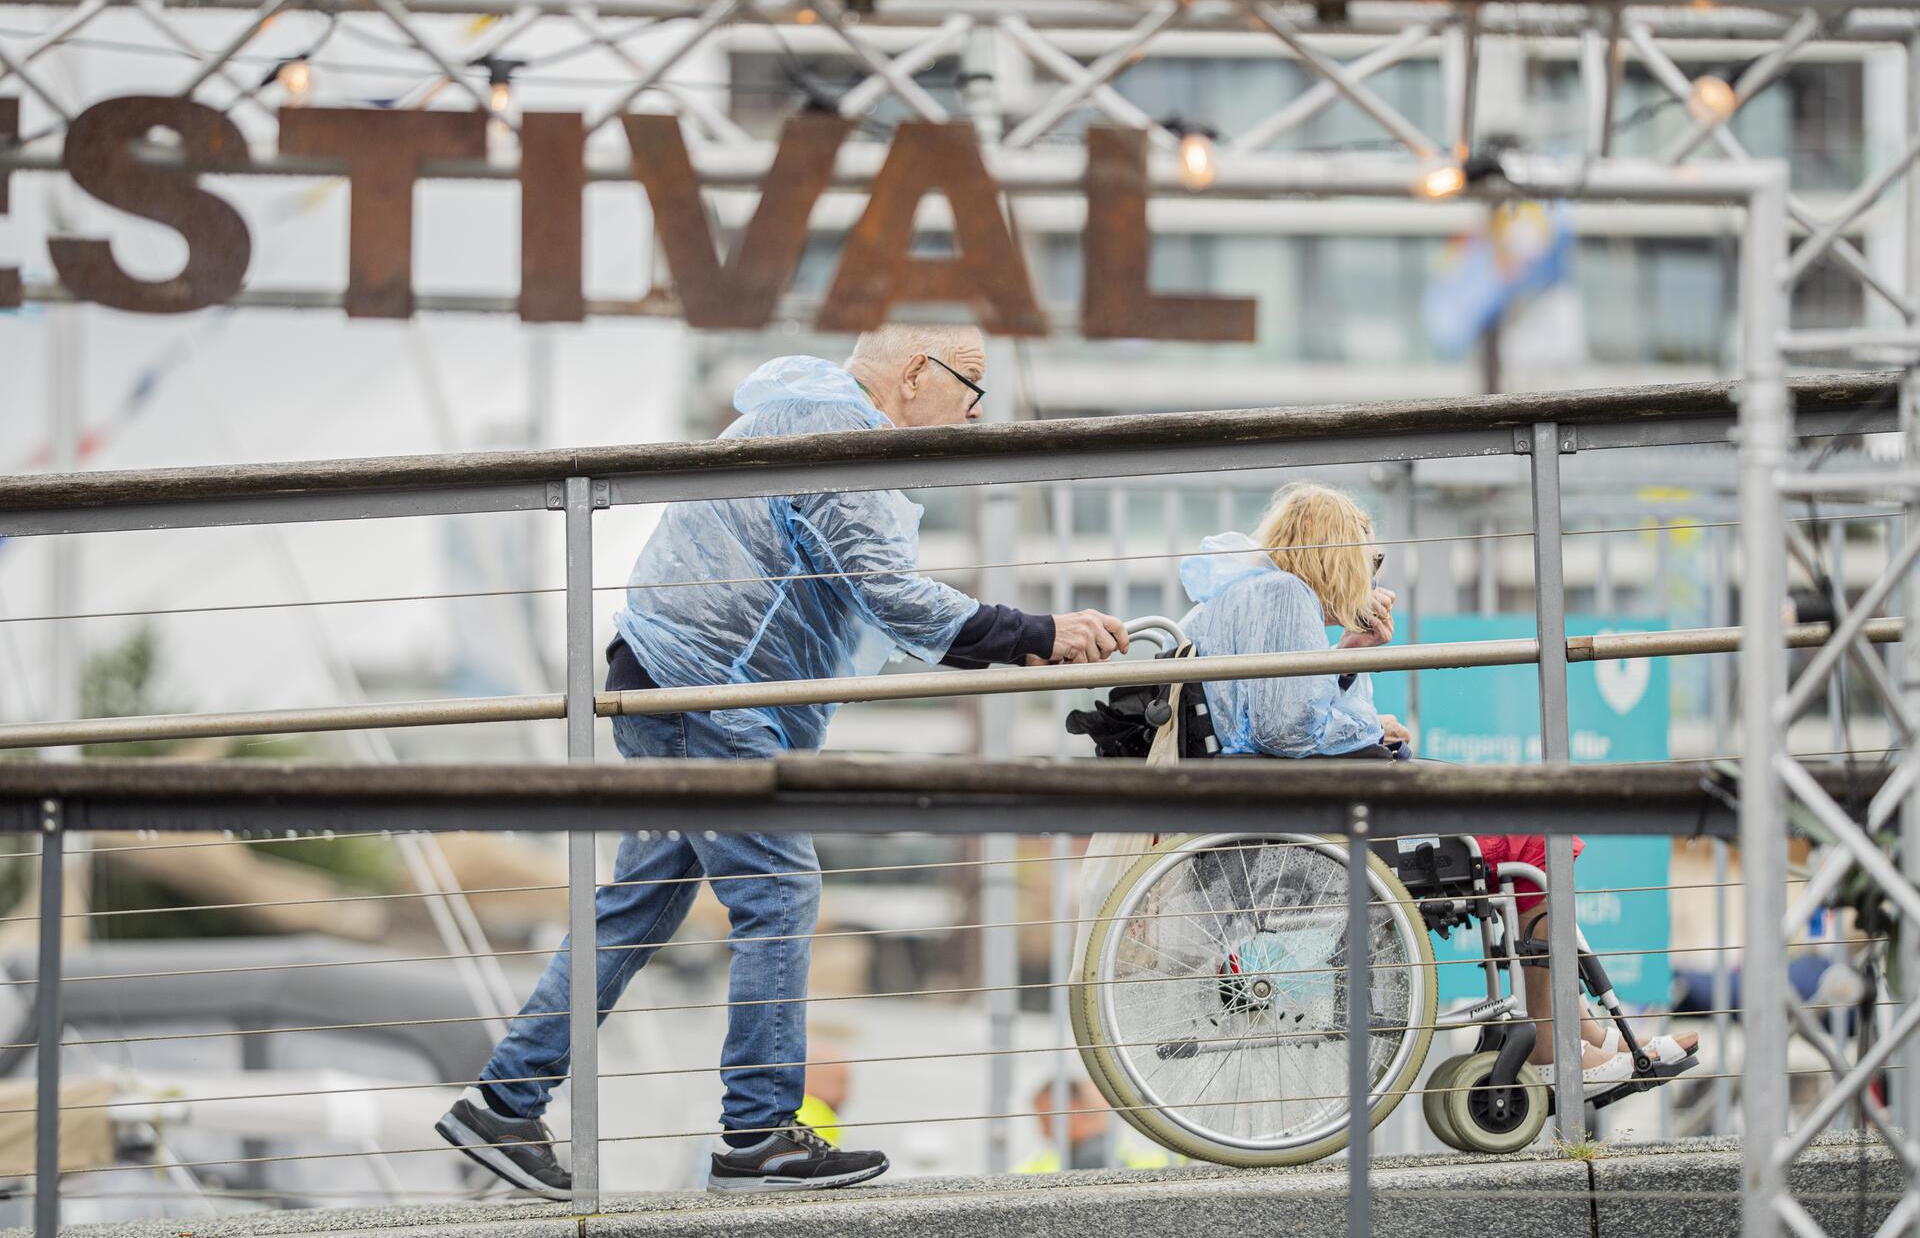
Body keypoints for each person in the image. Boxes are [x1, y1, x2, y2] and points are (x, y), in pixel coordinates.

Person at [437, 324, 1130, 1197]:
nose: (977, 411)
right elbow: (889, 592)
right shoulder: (836, 431)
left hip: (680, 683)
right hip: (707, 693)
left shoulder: (803, 416)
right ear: (917, 372)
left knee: (638, 906)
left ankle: (505, 1101)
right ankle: (758, 1130)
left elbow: (861, 594)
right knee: (780, 888)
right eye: (972, 387)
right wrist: (1038, 631)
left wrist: (1021, 642)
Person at [1176, 481, 1695, 1095]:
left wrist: (1352, 663)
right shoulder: (1286, 595)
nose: (1370, 574)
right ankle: (1559, 1040)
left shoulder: (1228, 600)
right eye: (1370, 559)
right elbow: (1285, 731)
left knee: (1525, 822)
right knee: (1539, 830)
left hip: (1283, 810)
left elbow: (1274, 717)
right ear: (1335, 555)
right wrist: (1364, 723)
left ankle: (1578, 1030)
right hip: (1333, 818)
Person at [1014, 1078, 1168, 1173]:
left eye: (1047, 1122)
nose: (1044, 1133)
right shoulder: (1093, 1150)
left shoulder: (1093, 1157)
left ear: (1072, 1108)